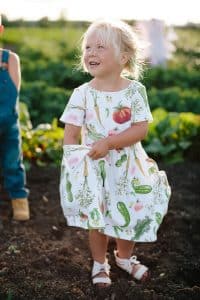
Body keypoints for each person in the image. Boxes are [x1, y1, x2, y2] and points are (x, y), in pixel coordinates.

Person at [59, 19, 171, 288]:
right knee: (96, 218)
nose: (91, 53)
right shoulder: (82, 94)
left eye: (100, 47)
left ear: (124, 57)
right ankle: (100, 263)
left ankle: (123, 257)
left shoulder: (134, 92)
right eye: (87, 47)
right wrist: (73, 165)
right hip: (94, 167)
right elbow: (71, 134)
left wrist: (109, 142)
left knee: (128, 213)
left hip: (128, 168)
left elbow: (140, 129)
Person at [0, 15, 30, 221]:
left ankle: (19, 199)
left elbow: (13, 93)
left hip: (7, 123)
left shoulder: (9, 59)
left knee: (12, 163)